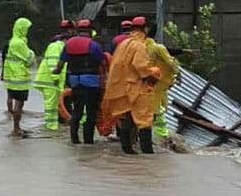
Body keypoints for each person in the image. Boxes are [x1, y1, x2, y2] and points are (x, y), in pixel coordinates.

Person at [101, 16, 160, 154]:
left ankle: (127, 151)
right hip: (136, 89)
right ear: (146, 29)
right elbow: (141, 67)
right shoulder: (139, 46)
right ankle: (148, 155)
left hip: (119, 89)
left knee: (125, 120)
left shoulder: (123, 44)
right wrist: (153, 77)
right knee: (145, 121)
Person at [52, 20, 107, 144]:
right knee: (91, 112)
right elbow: (103, 63)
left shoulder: (69, 44)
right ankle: (88, 141)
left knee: (77, 111)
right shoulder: (94, 45)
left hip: (75, 82)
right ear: (90, 31)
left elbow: (60, 65)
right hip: (92, 82)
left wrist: (56, 71)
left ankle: (74, 139)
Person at [33, 21, 73, 131]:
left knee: (55, 104)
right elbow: (53, 63)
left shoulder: (59, 46)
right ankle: (51, 128)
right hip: (50, 81)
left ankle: (55, 126)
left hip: (54, 81)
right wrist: (55, 78)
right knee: (51, 106)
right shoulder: (56, 47)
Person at [2, 17, 36, 137]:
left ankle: (16, 127)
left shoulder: (13, 41)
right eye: (26, 28)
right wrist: (32, 53)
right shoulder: (19, 43)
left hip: (12, 77)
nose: (27, 31)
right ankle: (16, 129)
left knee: (15, 102)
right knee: (19, 105)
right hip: (19, 78)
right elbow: (29, 60)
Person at [145, 33, 180, 140]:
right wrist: (177, 74)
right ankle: (160, 138)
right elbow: (171, 64)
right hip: (158, 83)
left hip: (144, 83)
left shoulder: (135, 46)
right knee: (157, 111)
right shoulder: (158, 48)